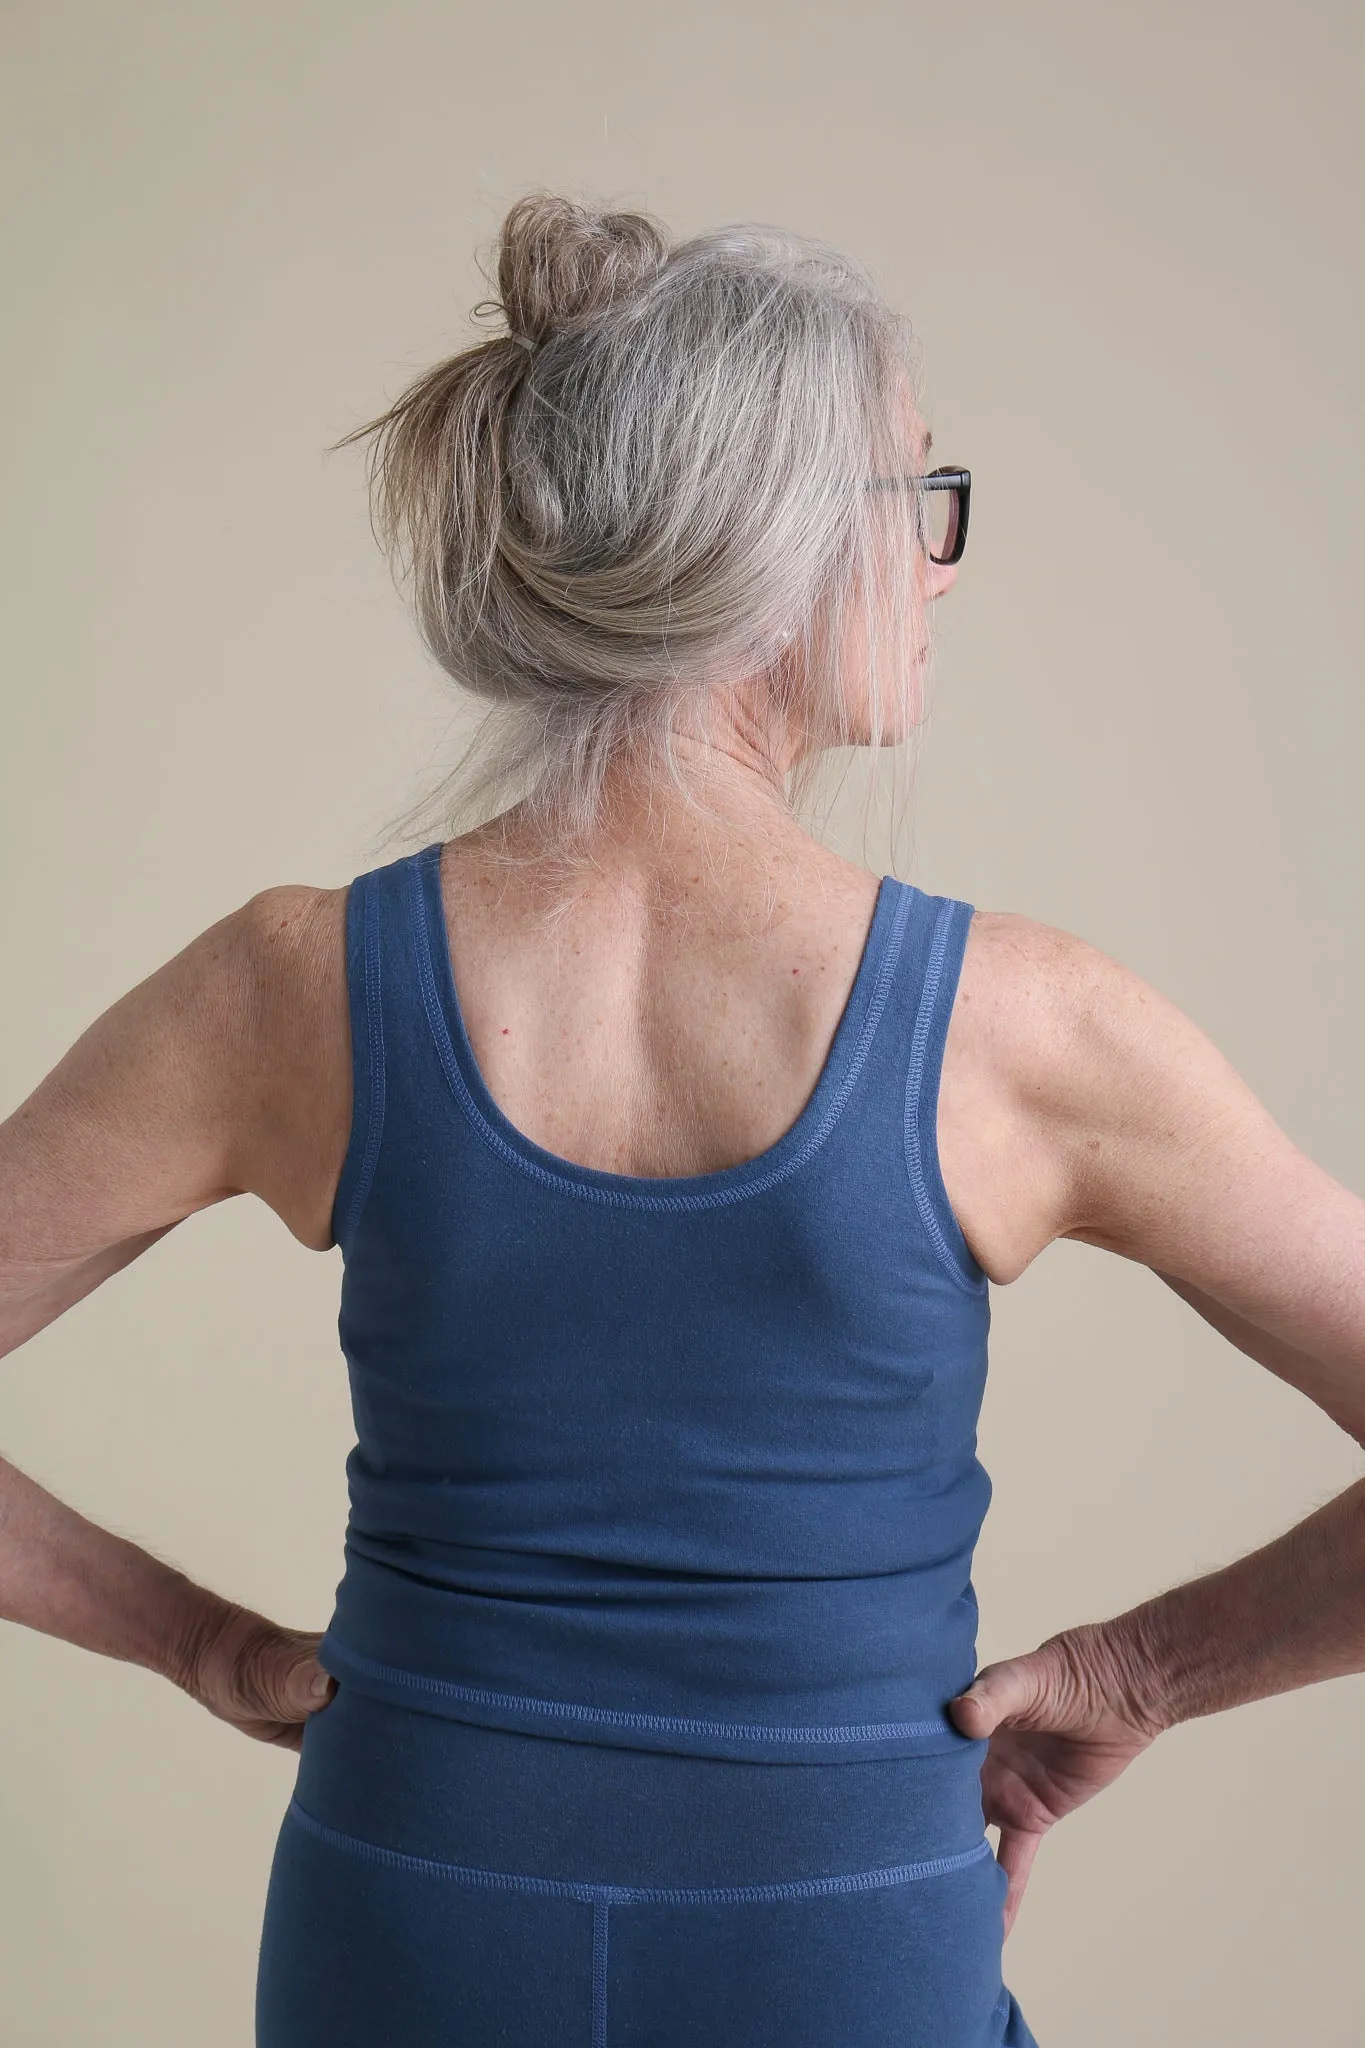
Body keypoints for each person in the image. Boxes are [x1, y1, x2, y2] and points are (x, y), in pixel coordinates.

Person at [3, 192, 1363, 2048]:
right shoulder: (1028, 1029)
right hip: (842, 1929)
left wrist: (194, 1644)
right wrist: (1136, 1675)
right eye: (918, 494)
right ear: (789, 547)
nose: (945, 562)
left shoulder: (288, 989)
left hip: (403, 1910)